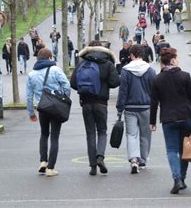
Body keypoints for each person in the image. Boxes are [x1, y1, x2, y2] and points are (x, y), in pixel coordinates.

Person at [150, 47, 191, 194]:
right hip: (187, 116)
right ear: (173, 60)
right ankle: (182, 178)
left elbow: (154, 102)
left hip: (168, 118)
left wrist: (152, 121)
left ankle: (177, 179)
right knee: (185, 150)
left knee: (172, 150)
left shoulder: (157, 79)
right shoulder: (185, 76)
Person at [70, 41, 120, 176]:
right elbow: (115, 82)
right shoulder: (107, 63)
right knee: (102, 131)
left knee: (90, 133)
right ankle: (100, 157)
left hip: (86, 103)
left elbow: (73, 83)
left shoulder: (82, 63)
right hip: (101, 103)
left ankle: (92, 166)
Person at [26, 48, 71, 177]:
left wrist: (31, 113)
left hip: (42, 108)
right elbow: (66, 85)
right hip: (56, 107)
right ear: (50, 58)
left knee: (44, 134)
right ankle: (51, 168)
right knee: (54, 137)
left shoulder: (32, 74)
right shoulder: (55, 70)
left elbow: (29, 96)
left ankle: (43, 161)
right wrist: (64, 99)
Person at [116, 44, 156, 174]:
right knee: (145, 135)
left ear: (132, 55)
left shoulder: (126, 70)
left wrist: (120, 108)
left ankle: (133, 159)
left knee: (131, 134)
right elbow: (154, 91)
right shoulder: (150, 70)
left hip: (130, 107)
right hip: (146, 106)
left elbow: (123, 91)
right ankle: (143, 160)